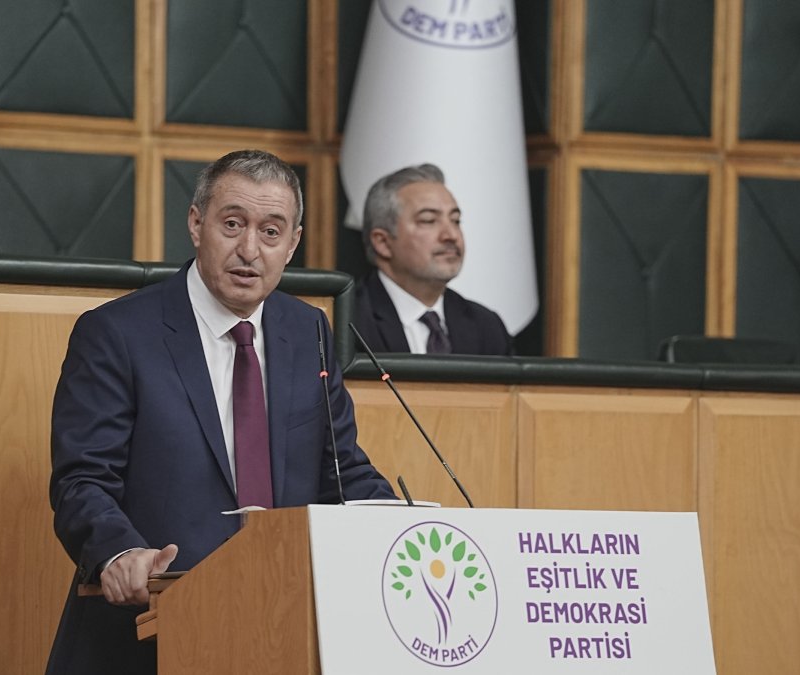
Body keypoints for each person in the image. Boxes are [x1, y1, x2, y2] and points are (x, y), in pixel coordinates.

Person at [47, 149, 395, 673]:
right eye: (232, 224)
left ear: (293, 244)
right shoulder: (117, 334)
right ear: (196, 224)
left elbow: (340, 471)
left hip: (279, 627)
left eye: (271, 232)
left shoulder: (308, 332)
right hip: (148, 635)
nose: (249, 249)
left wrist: (400, 529)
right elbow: (82, 480)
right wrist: (118, 555)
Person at [353, 163, 511, 355]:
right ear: (383, 242)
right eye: (428, 220)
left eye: (455, 220)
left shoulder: (486, 326)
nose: (451, 235)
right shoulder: (347, 321)